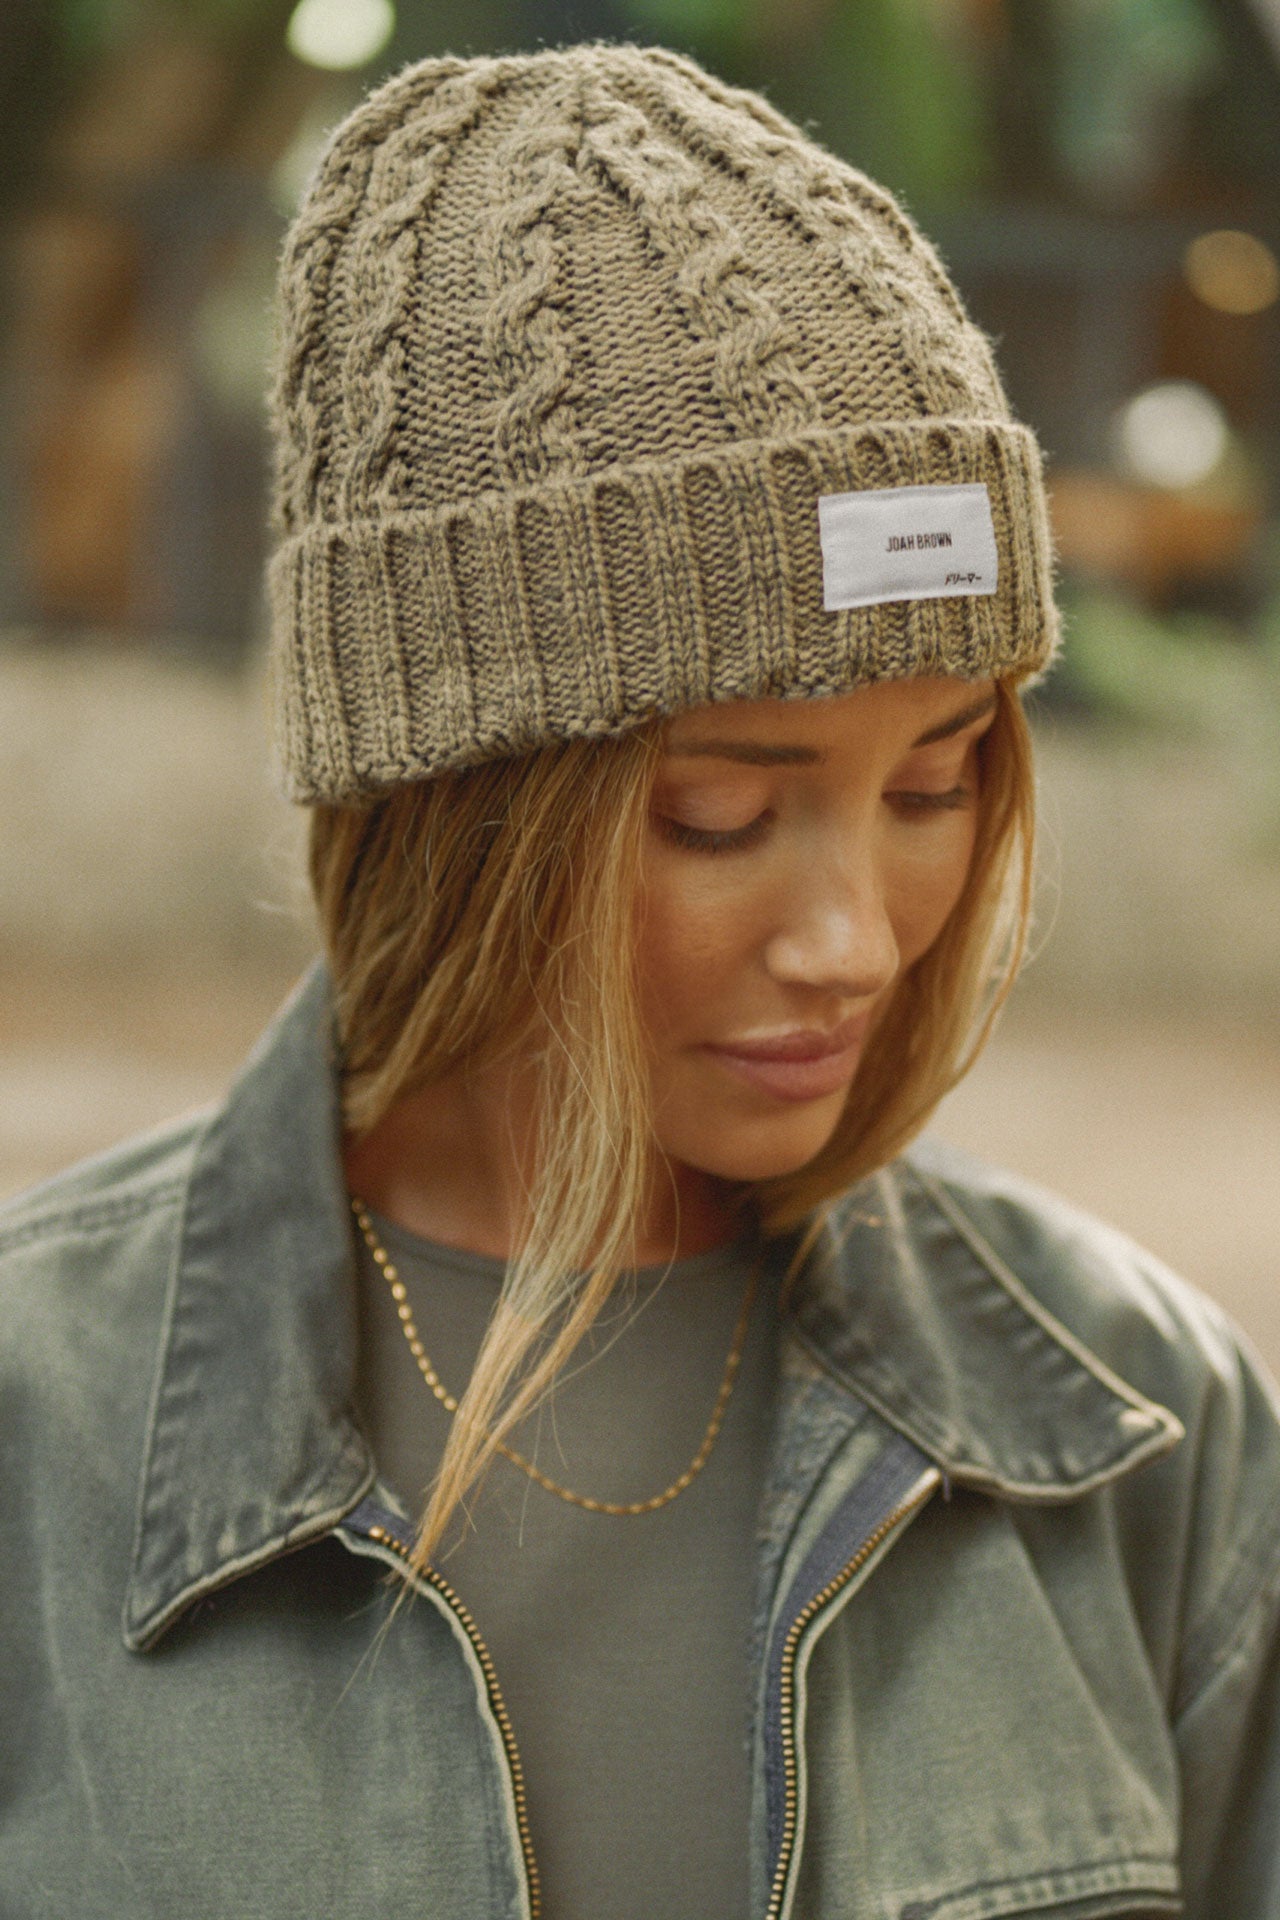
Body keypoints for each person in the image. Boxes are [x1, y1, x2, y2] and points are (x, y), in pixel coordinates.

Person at [2, 40, 1278, 1920]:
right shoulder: (40, 1430)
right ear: (447, 812)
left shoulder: (1146, 1424)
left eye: (934, 785)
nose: (855, 936)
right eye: (715, 816)